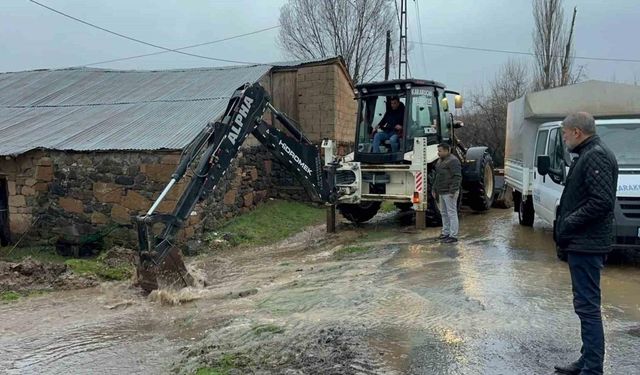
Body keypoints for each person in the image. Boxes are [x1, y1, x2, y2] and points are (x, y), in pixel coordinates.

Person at [553, 112, 618, 375]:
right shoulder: (589, 153)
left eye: (565, 133)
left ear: (577, 132)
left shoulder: (596, 155)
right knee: (585, 305)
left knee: (588, 307)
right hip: (583, 241)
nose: (565, 137)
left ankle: (592, 368)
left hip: (587, 243)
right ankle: (586, 360)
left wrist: (568, 222)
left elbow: (601, 202)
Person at [432, 143, 462, 243]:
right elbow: (437, 176)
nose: (438, 153)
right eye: (438, 151)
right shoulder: (440, 161)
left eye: (440, 151)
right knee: (444, 213)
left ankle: (453, 235)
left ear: (447, 150)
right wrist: (434, 189)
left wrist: (453, 191)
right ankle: (445, 233)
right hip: (441, 191)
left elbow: (457, 176)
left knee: (451, 213)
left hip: (449, 192)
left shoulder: (453, 161)